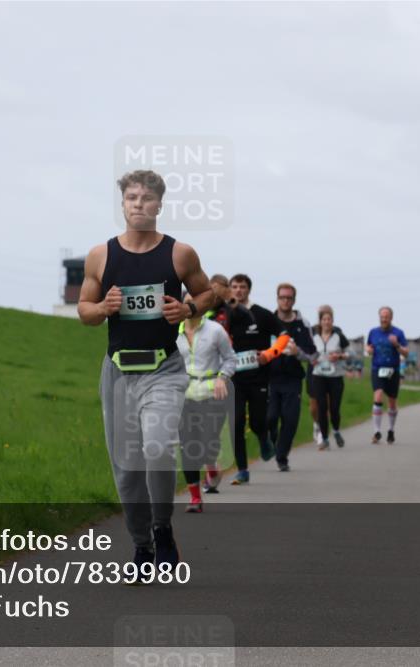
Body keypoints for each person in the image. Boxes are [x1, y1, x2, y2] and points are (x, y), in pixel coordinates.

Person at [78, 169, 214, 573]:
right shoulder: (100, 255)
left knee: (156, 448)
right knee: (126, 468)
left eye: (146, 198)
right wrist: (103, 308)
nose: (138, 203)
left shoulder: (179, 254)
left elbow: (208, 292)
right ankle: (141, 548)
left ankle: (162, 527)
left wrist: (187, 308)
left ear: (159, 204)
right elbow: (85, 310)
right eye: (131, 197)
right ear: (123, 204)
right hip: (118, 372)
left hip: (164, 369)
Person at [227, 273, 290, 484]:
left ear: (248, 289)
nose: (238, 290)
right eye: (234, 286)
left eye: (242, 287)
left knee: (256, 421)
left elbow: (284, 335)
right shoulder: (225, 315)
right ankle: (242, 469)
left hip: (258, 377)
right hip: (233, 377)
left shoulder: (261, 314)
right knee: (235, 422)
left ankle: (263, 437)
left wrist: (269, 354)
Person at [176, 293, 236, 512]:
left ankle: (211, 465)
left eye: (196, 300)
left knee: (208, 441)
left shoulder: (215, 331)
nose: (191, 305)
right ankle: (195, 498)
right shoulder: (173, 332)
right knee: (188, 446)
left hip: (212, 392)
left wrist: (222, 377)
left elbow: (230, 359)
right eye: (187, 300)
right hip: (184, 394)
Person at [266, 283, 316, 471]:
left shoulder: (302, 325)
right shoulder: (268, 321)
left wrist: (297, 352)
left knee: (290, 419)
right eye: (282, 297)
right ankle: (271, 439)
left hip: (292, 380)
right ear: (277, 299)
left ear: (294, 300)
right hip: (270, 378)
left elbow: (312, 354)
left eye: (289, 298)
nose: (285, 301)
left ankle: (282, 457)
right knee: (270, 418)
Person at [310, 305, 350, 450]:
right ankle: (325, 438)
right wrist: (312, 359)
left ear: (332, 321)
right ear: (320, 321)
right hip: (319, 375)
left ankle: (336, 431)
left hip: (336, 376)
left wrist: (339, 355)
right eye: (324, 319)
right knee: (322, 407)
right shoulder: (314, 336)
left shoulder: (338, 336)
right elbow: (308, 353)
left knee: (334, 408)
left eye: (329, 319)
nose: (327, 322)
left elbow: (349, 353)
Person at [366, 306, 408, 445]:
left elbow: (406, 353)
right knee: (378, 395)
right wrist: (368, 350)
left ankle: (391, 430)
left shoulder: (398, 332)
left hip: (393, 371)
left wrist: (397, 345)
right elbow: (369, 348)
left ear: (391, 318)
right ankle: (376, 431)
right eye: (382, 316)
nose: (384, 319)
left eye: (386, 317)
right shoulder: (373, 332)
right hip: (377, 369)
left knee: (392, 402)